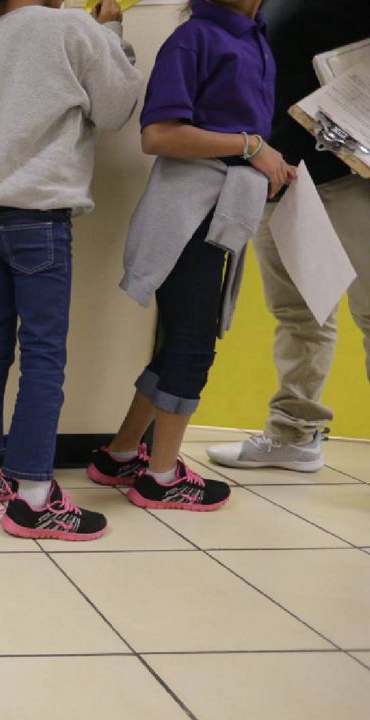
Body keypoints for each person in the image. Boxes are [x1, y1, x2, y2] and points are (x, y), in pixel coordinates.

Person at [0, 0, 144, 540]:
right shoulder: (73, 28)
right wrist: (115, 33)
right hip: (39, 217)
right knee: (44, 355)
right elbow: (118, 107)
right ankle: (33, 497)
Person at [88, 0, 296, 510]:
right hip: (188, 215)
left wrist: (264, 161)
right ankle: (160, 478)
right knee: (193, 345)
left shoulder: (254, 38)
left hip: (219, 211)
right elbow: (158, 135)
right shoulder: (194, 39)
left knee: (182, 339)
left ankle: (120, 454)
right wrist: (252, 147)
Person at [206, 0, 370, 473]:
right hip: (280, 174)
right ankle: (293, 433)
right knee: (299, 315)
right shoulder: (265, 4)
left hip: (349, 174)